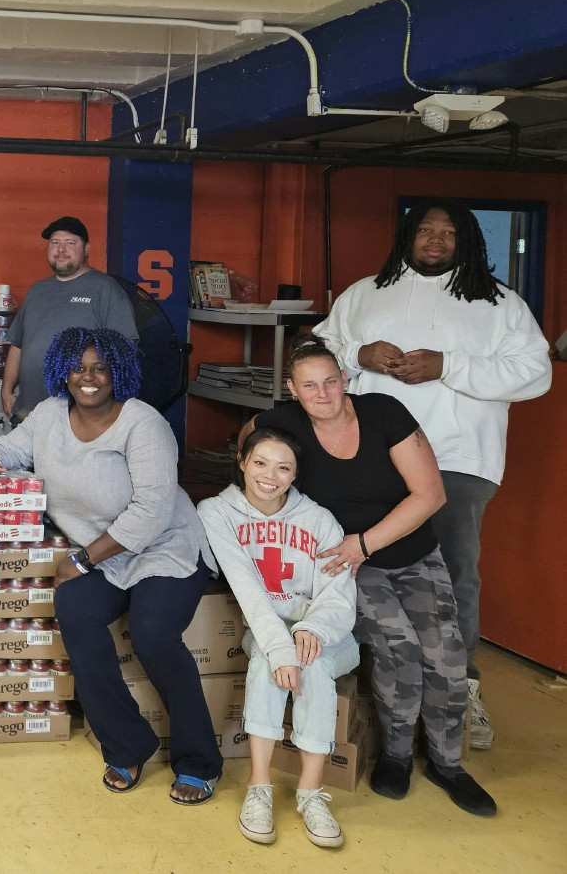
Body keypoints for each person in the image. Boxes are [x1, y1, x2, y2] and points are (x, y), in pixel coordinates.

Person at [316, 200, 549, 750]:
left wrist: (449, 366)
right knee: (353, 564)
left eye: (448, 232)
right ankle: (362, 687)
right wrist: (357, 355)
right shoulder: (364, 293)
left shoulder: (500, 304)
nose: (436, 240)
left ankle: (462, 689)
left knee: (452, 576)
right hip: (367, 458)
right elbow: (317, 353)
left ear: (467, 240)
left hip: (457, 462)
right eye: (425, 229)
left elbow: (535, 373)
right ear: (407, 236)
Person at [0, 327, 221, 805]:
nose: (88, 378)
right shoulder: (47, 415)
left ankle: (198, 762)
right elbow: (12, 447)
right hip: (105, 557)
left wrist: (83, 560)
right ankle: (127, 744)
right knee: (75, 608)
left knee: (152, 632)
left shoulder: (143, 423)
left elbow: (151, 511)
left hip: (162, 549)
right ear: (62, 372)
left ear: (118, 372)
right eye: (78, 367)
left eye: (100, 368)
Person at [250, 341, 496, 816]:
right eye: (309, 385)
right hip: (348, 567)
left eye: (330, 381)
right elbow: (252, 453)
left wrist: (363, 543)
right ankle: (398, 756)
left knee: (446, 654)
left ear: (344, 379)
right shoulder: (284, 422)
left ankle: (448, 764)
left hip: (408, 553)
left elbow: (431, 494)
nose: (322, 393)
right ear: (292, 390)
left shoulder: (384, 412)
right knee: (398, 648)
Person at [199, 427, 358, 849]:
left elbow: (340, 592)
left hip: (324, 631)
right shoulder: (217, 512)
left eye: (283, 467)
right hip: (264, 630)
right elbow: (246, 587)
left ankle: (310, 792)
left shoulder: (319, 519)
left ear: (295, 474)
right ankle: (259, 786)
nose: (270, 475)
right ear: (242, 462)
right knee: (269, 661)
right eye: (261, 463)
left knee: (314, 659)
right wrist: (282, 647)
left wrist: (311, 630)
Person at [1, 216, 138, 422]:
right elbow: (17, 345)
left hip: (80, 416)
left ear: (87, 249)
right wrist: (6, 390)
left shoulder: (106, 289)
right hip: (30, 411)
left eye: (70, 243)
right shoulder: (37, 290)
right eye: (55, 243)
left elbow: (123, 351)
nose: (61, 249)